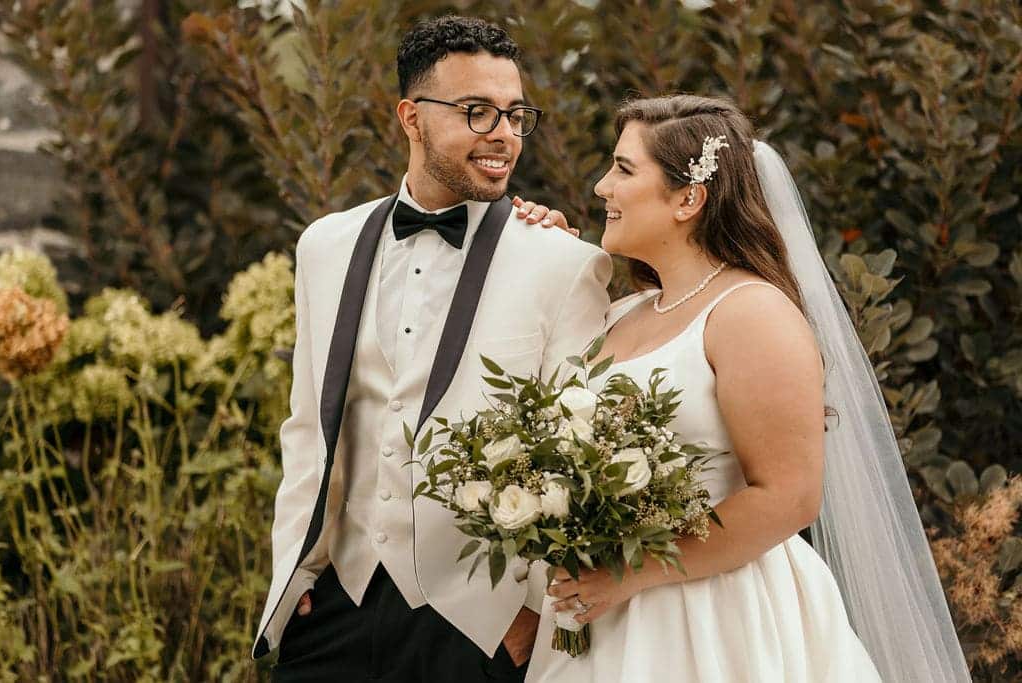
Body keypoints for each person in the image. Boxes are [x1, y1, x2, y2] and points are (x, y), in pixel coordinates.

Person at [526, 94, 971, 682]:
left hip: (714, 620)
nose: (601, 186)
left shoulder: (751, 311)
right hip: (601, 616)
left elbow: (788, 495)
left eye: (623, 169)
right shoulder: (622, 313)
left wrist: (633, 574)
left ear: (689, 197)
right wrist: (542, 249)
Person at [252, 16, 612, 682]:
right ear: (411, 118)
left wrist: (531, 612)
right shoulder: (324, 246)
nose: (503, 134)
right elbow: (307, 427)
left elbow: (576, 454)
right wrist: (293, 576)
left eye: (514, 114)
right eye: (476, 112)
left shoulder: (564, 264)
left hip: (478, 625)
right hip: (334, 606)